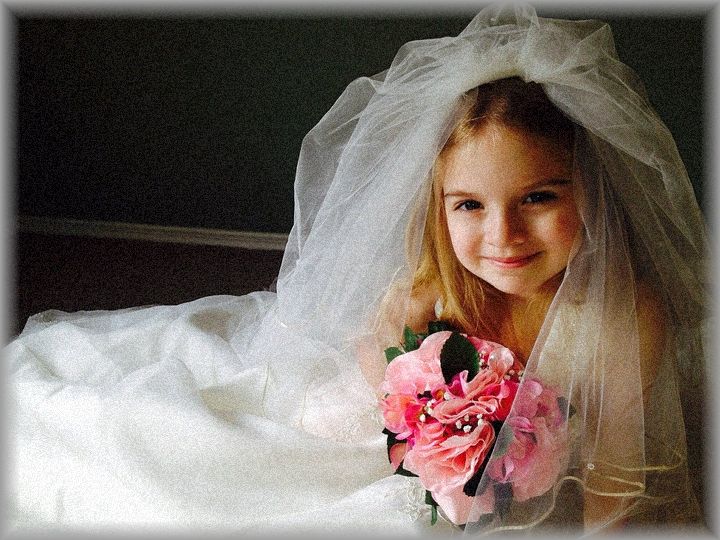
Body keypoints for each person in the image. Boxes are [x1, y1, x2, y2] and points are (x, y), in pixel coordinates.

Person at [7, 4, 708, 536]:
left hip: (498, 481)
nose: (504, 236)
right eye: (469, 205)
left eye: (539, 198)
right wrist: (442, 446)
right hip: (384, 443)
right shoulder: (429, 296)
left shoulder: (622, 319)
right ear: (440, 207)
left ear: (591, 191)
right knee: (203, 470)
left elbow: (618, 467)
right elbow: (384, 387)